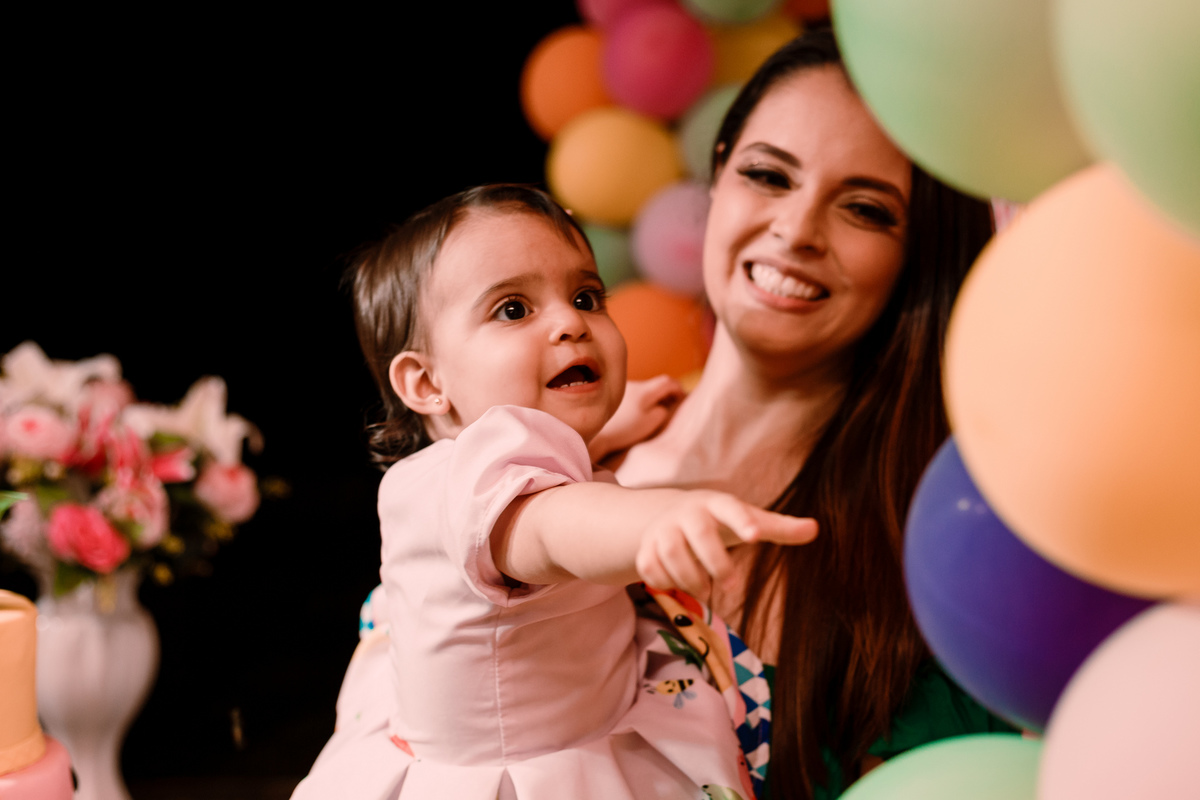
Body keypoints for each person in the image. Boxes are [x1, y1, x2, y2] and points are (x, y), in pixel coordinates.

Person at [290, 184, 817, 800]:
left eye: (586, 296)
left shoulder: (477, 461)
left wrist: (609, 428)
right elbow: (550, 524)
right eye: (513, 310)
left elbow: (533, 466)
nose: (571, 323)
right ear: (427, 381)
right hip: (529, 775)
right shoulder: (456, 488)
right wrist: (660, 518)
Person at [611, 28, 1017, 800]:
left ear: (916, 256)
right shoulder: (559, 457)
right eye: (768, 175)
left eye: (865, 209)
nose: (796, 232)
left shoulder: (931, 553)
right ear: (720, 169)